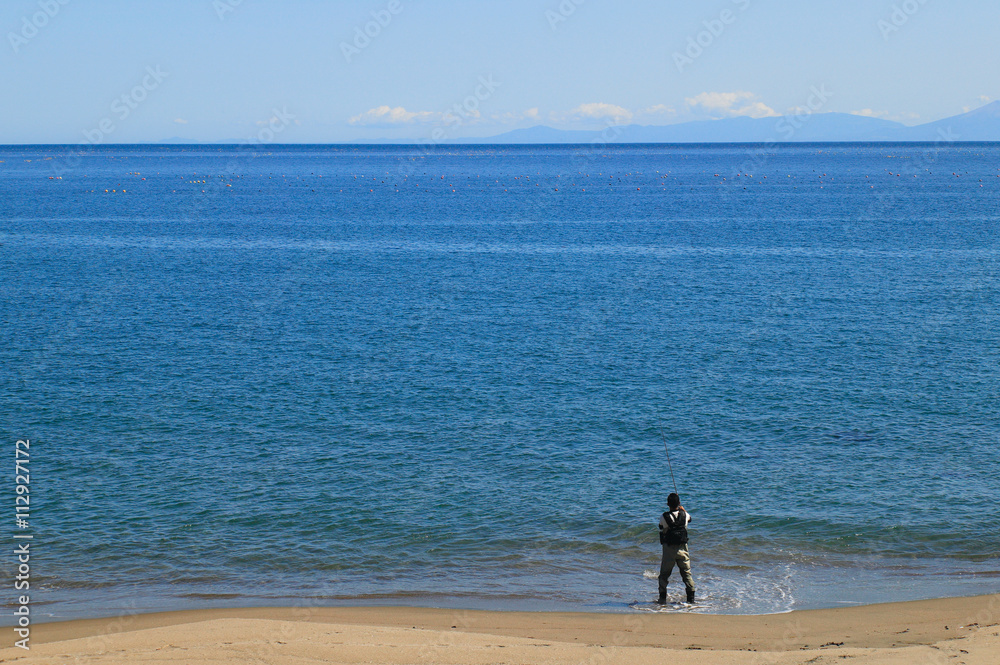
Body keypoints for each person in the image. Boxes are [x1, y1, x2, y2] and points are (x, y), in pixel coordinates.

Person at [657, 492, 695, 604]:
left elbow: (660, 526)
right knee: (687, 573)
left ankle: (662, 599)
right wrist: (683, 510)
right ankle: (691, 599)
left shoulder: (664, 516)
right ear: (679, 503)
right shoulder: (685, 515)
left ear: (667, 504)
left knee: (664, 575)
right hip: (683, 548)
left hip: (669, 550)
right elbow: (690, 519)